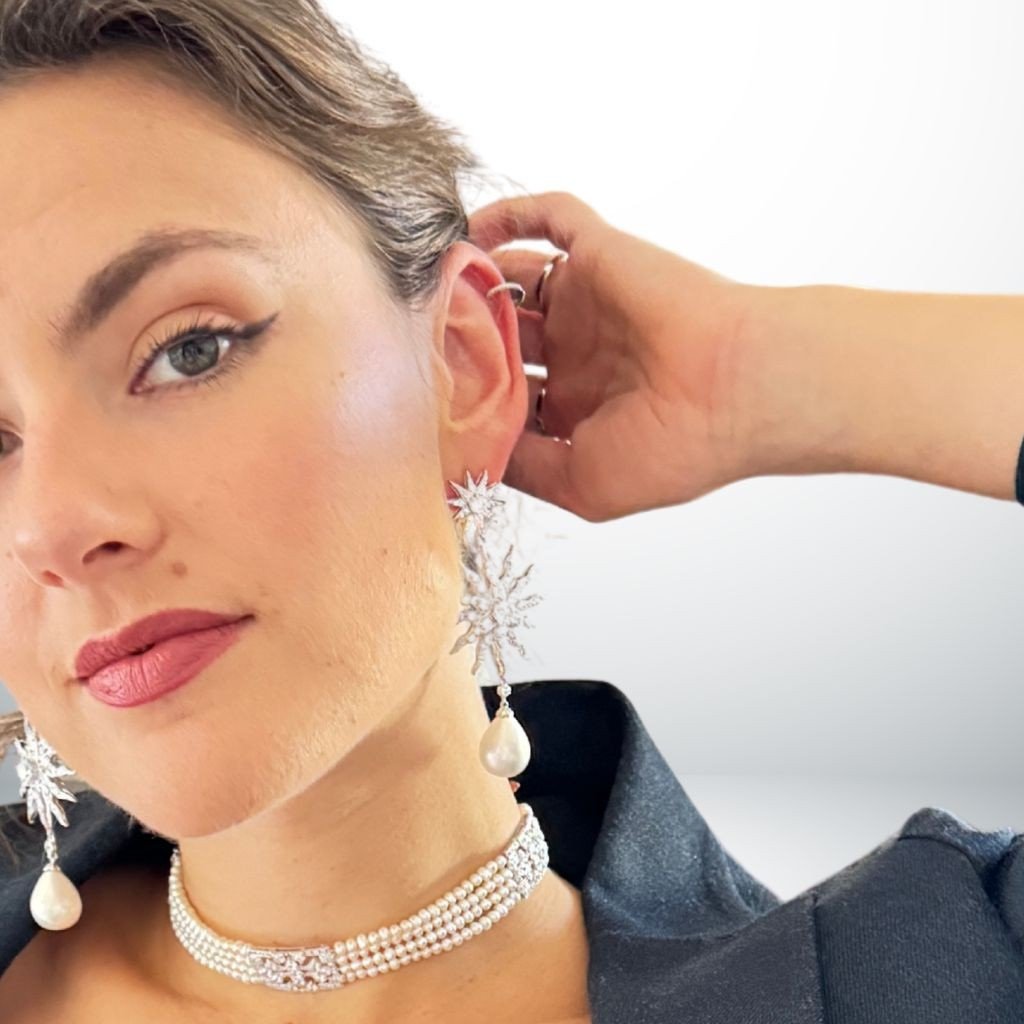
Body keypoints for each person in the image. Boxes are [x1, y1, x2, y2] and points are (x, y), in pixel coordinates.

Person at [0, 2, 1021, 1023]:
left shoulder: (924, 977)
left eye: (188, 350)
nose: (51, 529)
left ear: (463, 364)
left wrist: (762, 371)